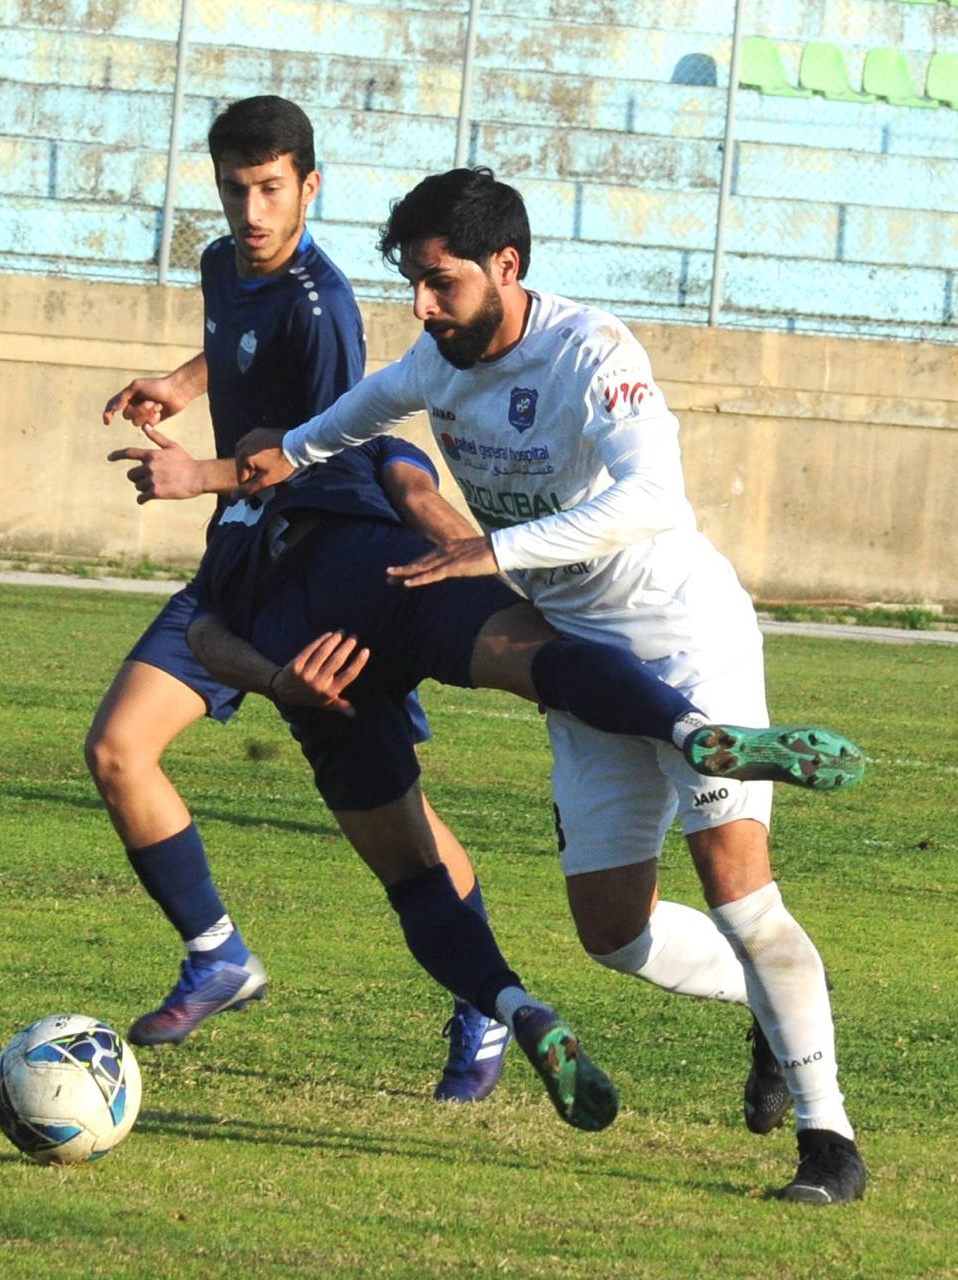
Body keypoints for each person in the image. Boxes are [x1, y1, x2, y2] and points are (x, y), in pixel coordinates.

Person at [228, 167, 868, 1203]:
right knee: (612, 932)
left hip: (684, 637)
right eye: (412, 283)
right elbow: (344, 422)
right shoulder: (436, 364)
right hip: (578, 661)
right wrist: (258, 460)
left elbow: (653, 499)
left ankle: (827, 1140)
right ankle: (768, 1001)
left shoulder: (592, 351)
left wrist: (493, 551)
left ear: (506, 265)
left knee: (739, 892)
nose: (423, 307)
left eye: (441, 283)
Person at [118, 420, 851, 1135]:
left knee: (422, 864)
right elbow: (208, 631)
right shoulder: (249, 520)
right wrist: (281, 676)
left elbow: (410, 502)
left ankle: (512, 1004)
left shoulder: (325, 456)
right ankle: (689, 737)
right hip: (346, 632)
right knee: (530, 679)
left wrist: (476, 575)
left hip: (365, 609)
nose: (249, 447)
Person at [89, 95, 512, 1104]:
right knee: (117, 748)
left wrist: (200, 476)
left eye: (271, 188)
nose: (252, 211)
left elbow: (323, 451)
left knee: (400, 821)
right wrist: (183, 383)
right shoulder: (220, 265)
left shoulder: (324, 306)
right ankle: (217, 953)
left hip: (319, 570)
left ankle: (485, 999)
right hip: (236, 564)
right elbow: (240, 344)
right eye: (234, 189)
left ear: (308, 186)